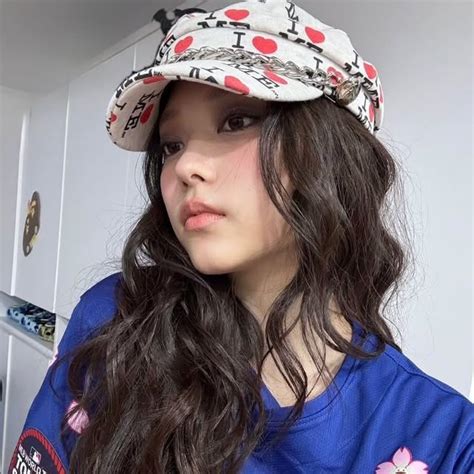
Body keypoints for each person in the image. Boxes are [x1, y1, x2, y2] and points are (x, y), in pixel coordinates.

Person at [8, 0, 473, 473]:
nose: (185, 166)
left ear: (331, 154)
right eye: (172, 145)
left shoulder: (446, 441)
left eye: (236, 121)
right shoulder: (116, 322)